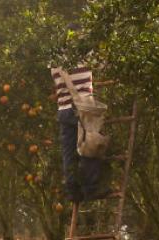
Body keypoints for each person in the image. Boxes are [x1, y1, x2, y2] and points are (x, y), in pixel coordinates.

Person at [50, 28, 106, 204]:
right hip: (83, 108)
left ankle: (72, 191)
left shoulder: (55, 59)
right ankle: (91, 190)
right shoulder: (85, 54)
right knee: (91, 146)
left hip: (63, 109)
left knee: (69, 153)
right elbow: (104, 65)